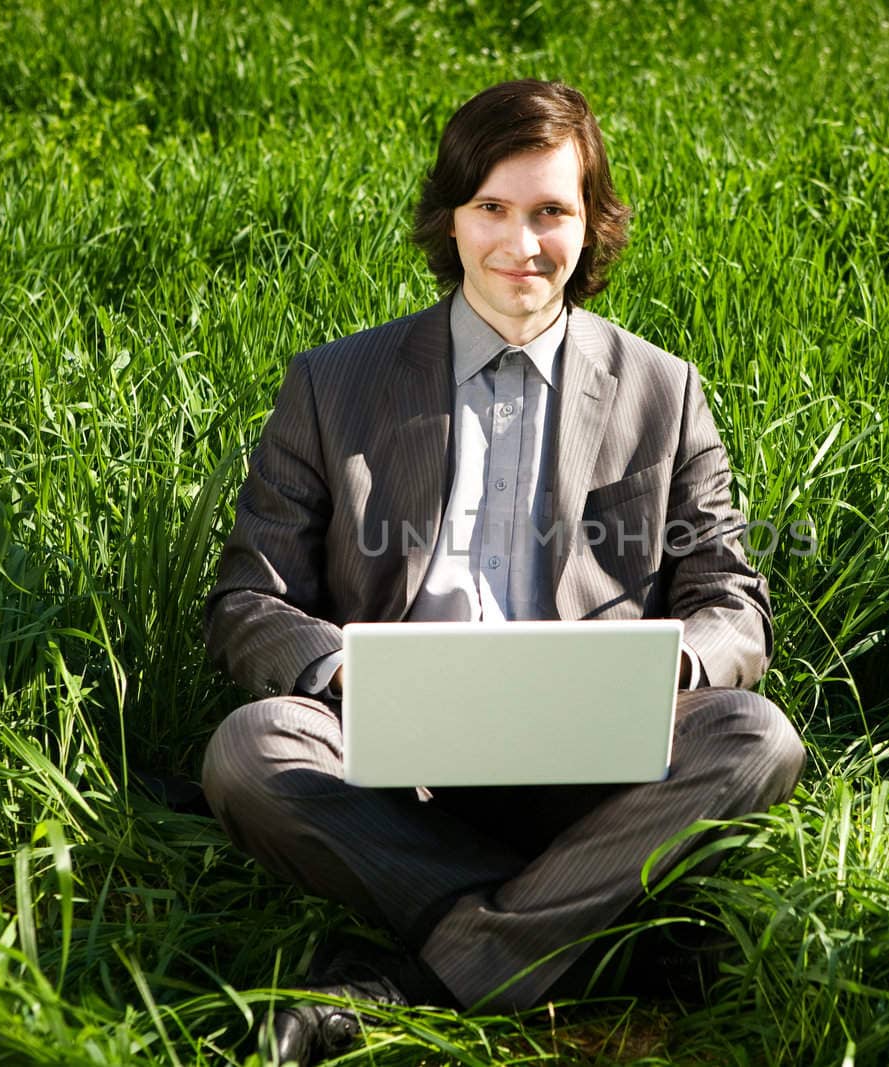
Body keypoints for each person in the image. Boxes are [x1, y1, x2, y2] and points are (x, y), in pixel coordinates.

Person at [199, 79, 803, 1065]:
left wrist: (677, 669)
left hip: (598, 762)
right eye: (493, 208)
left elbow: (731, 599)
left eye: (551, 211)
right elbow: (247, 599)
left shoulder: (664, 390)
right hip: (396, 759)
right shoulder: (332, 384)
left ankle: (420, 976)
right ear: (451, 218)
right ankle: (589, 931)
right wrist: (343, 670)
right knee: (248, 749)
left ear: (591, 223)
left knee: (757, 738)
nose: (521, 243)